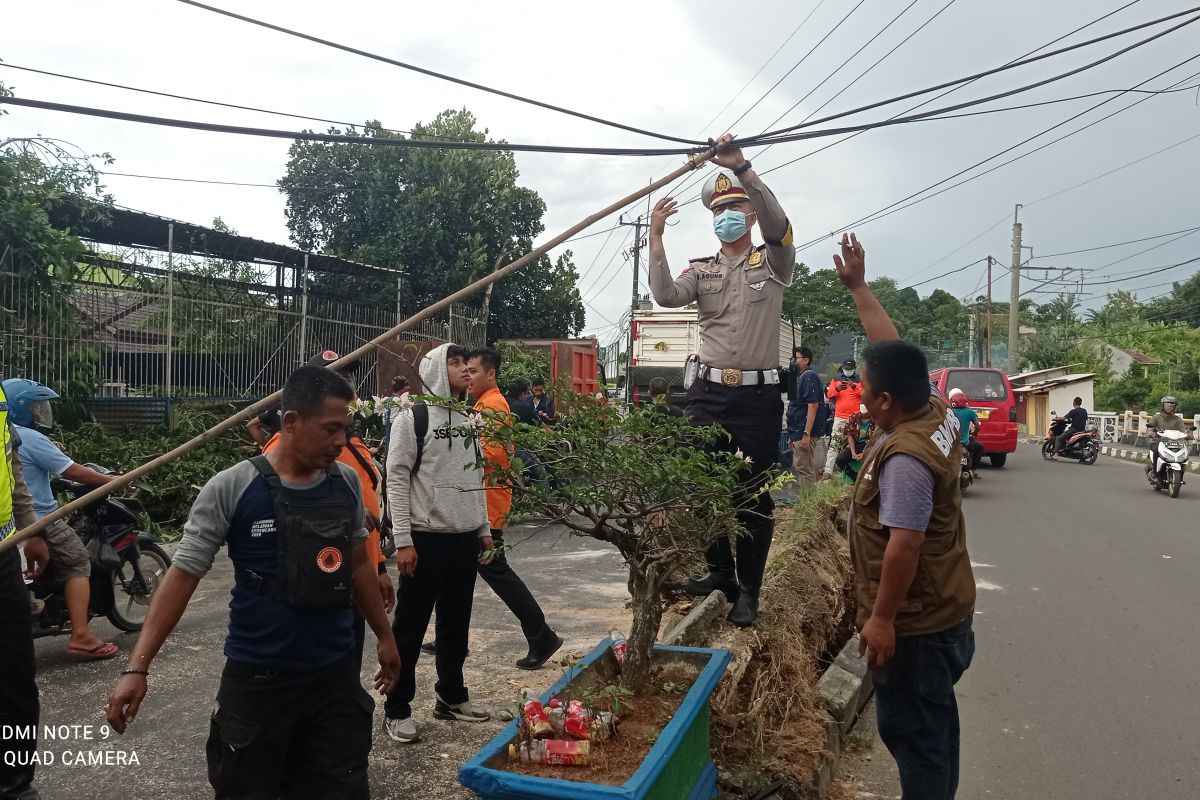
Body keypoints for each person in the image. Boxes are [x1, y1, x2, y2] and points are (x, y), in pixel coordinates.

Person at [106, 365, 400, 799]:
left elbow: (357, 563)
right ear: (292, 422)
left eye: (346, 429)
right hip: (259, 684)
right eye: (331, 429)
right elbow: (182, 576)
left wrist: (384, 636)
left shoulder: (347, 484)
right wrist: (138, 666)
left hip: (333, 680)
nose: (341, 441)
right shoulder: (234, 487)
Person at [835, 232, 975, 800]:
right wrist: (860, 289)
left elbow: (905, 545)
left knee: (914, 734)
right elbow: (892, 351)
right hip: (945, 611)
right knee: (934, 728)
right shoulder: (932, 407)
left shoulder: (908, 457)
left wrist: (883, 620)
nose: (860, 395)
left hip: (916, 626)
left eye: (865, 391)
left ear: (887, 400)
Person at [648, 134, 795, 627]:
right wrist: (655, 236)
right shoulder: (702, 270)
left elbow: (780, 229)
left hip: (757, 396)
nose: (725, 215)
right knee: (702, 483)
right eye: (718, 209)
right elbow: (666, 295)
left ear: (749, 214)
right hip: (708, 392)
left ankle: (749, 590)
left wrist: (745, 171)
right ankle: (720, 572)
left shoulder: (773, 262)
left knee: (751, 494)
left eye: (734, 207)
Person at [383, 343, 492, 744]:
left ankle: (451, 697)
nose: (466, 369)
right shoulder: (412, 417)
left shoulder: (469, 419)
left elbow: (474, 476)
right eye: (456, 362)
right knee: (409, 628)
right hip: (425, 541)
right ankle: (396, 707)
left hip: (464, 540)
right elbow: (395, 479)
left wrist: (482, 529)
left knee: (455, 624)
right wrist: (404, 540)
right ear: (434, 369)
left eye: (468, 364)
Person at [254, 356, 394, 665]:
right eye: (338, 376)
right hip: (318, 582)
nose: (348, 384)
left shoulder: (353, 443)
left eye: (349, 376)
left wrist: (380, 567)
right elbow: (283, 509)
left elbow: (368, 503)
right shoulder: (285, 446)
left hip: (360, 577)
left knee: (346, 671)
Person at [2, 377, 120, 660]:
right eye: (36, 408)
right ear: (21, 408)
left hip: (10, 523)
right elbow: (73, 471)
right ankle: (81, 635)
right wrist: (113, 480)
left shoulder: (11, 433)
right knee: (78, 561)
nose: (40, 413)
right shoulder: (30, 437)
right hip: (37, 518)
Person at [1, 380, 52, 800]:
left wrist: (29, 526)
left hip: (1, 556)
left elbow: (10, 461)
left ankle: (16, 784)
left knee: (15, 676)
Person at [786, 346, 825, 487]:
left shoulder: (809, 376)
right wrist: (793, 435)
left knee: (804, 467)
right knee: (803, 466)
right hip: (798, 430)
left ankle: (808, 503)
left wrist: (806, 434)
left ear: (806, 360)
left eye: (795, 358)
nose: (792, 361)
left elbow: (813, 405)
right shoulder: (799, 377)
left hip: (805, 430)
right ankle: (810, 501)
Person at [823, 359, 864, 479]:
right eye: (846, 368)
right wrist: (837, 389)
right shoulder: (836, 379)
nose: (848, 371)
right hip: (840, 416)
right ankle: (828, 471)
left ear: (854, 368)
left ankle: (853, 472)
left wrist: (854, 387)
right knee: (834, 443)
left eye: (850, 369)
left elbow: (865, 394)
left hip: (856, 418)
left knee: (856, 444)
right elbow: (829, 394)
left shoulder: (860, 380)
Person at [1146, 395, 1190, 476]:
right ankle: (1154, 471)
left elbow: (1183, 430)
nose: (1170, 407)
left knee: (1184, 453)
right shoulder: (1156, 417)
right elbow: (1150, 428)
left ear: (1175, 407)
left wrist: (1188, 435)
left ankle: (1180, 472)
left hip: (1174, 442)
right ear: (1163, 406)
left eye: (1172, 405)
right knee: (1156, 451)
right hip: (1159, 441)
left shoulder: (1177, 419)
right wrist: (1151, 433)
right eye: (1167, 404)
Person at [948, 389, 983, 478]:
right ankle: (973, 470)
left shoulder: (948, 411)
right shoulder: (969, 412)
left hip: (950, 443)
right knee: (979, 447)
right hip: (964, 443)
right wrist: (975, 432)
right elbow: (977, 426)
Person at [834, 404, 873, 480]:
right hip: (856, 444)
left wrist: (865, 453)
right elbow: (850, 435)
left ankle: (869, 479)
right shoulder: (853, 417)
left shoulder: (876, 419)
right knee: (840, 459)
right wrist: (853, 452)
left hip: (870, 445)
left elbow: (874, 440)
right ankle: (856, 477)